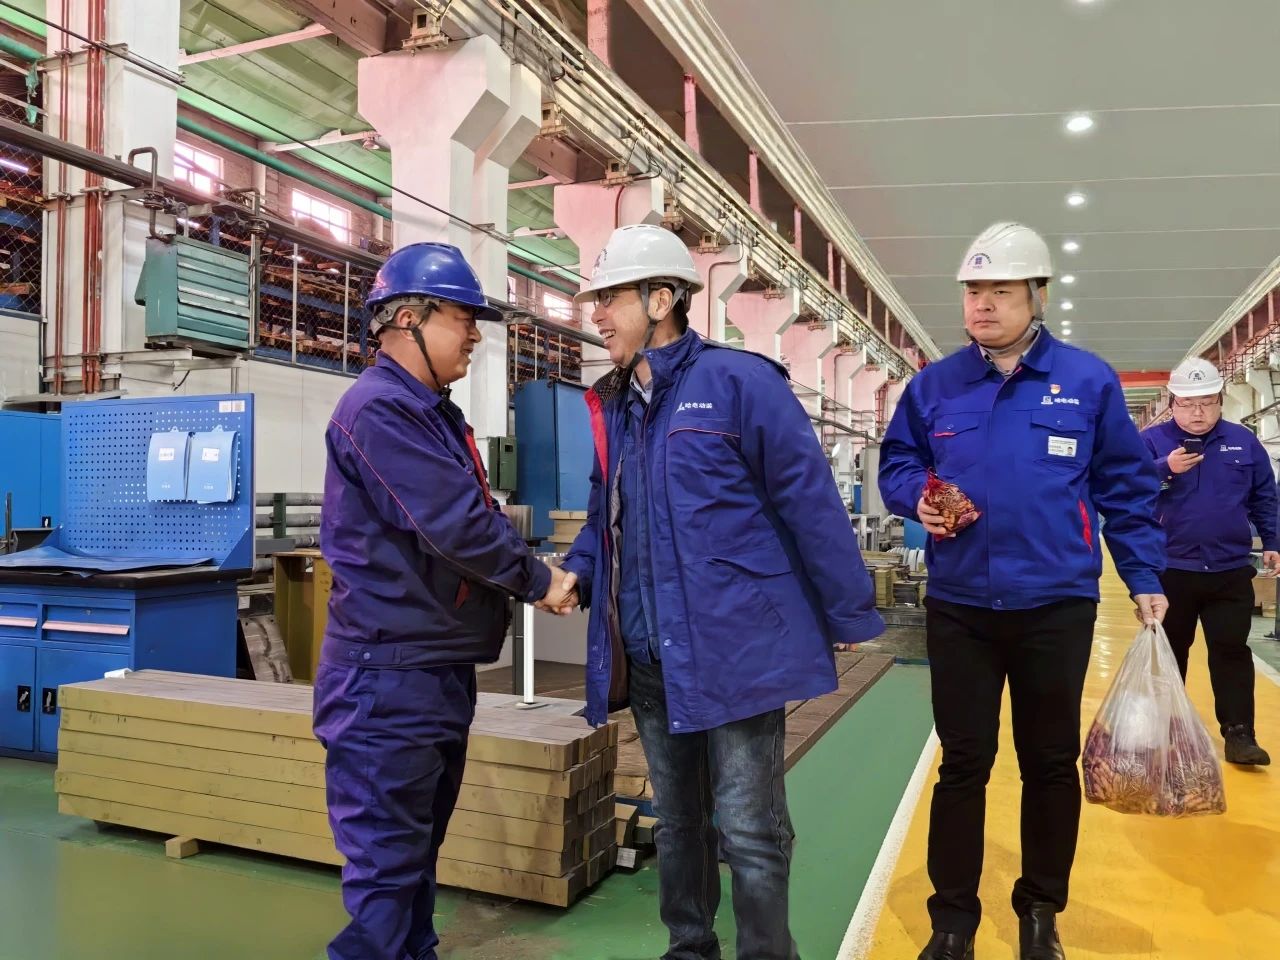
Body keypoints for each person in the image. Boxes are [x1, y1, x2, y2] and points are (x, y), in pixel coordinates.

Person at [560, 223, 884, 960]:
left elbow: (808, 499)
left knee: (750, 826)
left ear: (662, 299)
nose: (597, 315)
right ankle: (690, 947)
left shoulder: (740, 383)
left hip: (737, 651)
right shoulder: (615, 403)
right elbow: (605, 510)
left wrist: (847, 611)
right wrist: (577, 570)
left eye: (610, 298)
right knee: (678, 822)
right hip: (650, 654)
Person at [878, 222, 1169, 960]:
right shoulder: (935, 385)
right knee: (963, 764)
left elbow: (1126, 486)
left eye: (1000, 290)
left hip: (1055, 605)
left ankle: (1040, 913)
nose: (982, 304)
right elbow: (898, 463)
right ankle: (952, 923)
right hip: (961, 607)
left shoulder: (1087, 381)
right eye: (973, 290)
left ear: (1036, 295)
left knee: (1048, 763)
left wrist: (1142, 574)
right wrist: (919, 498)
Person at [312, 242, 578, 960]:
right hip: (387, 677)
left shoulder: (429, 411)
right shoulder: (380, 410)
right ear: (409, 318)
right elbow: (453, 525)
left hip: (428, 668)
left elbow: (472, 514)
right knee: (387, 867)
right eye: (463, 319)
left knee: (415, 852)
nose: (474, 336)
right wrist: (540, 582)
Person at [1140, 357, 1279, 766]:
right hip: (1170, 569)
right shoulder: (1150, 442)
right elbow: (1123, 490)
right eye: (1187, 404)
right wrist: (1164, 469)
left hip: (1228, 569)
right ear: (1173, 403)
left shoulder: (1243, 441)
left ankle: (1240, 735)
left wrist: (1273, 540)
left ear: (1220, 400)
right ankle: (1165, 732)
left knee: (1231, 650)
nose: (1197, 413)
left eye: (1207, 403)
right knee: (1170, 654)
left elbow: (1264, 496)